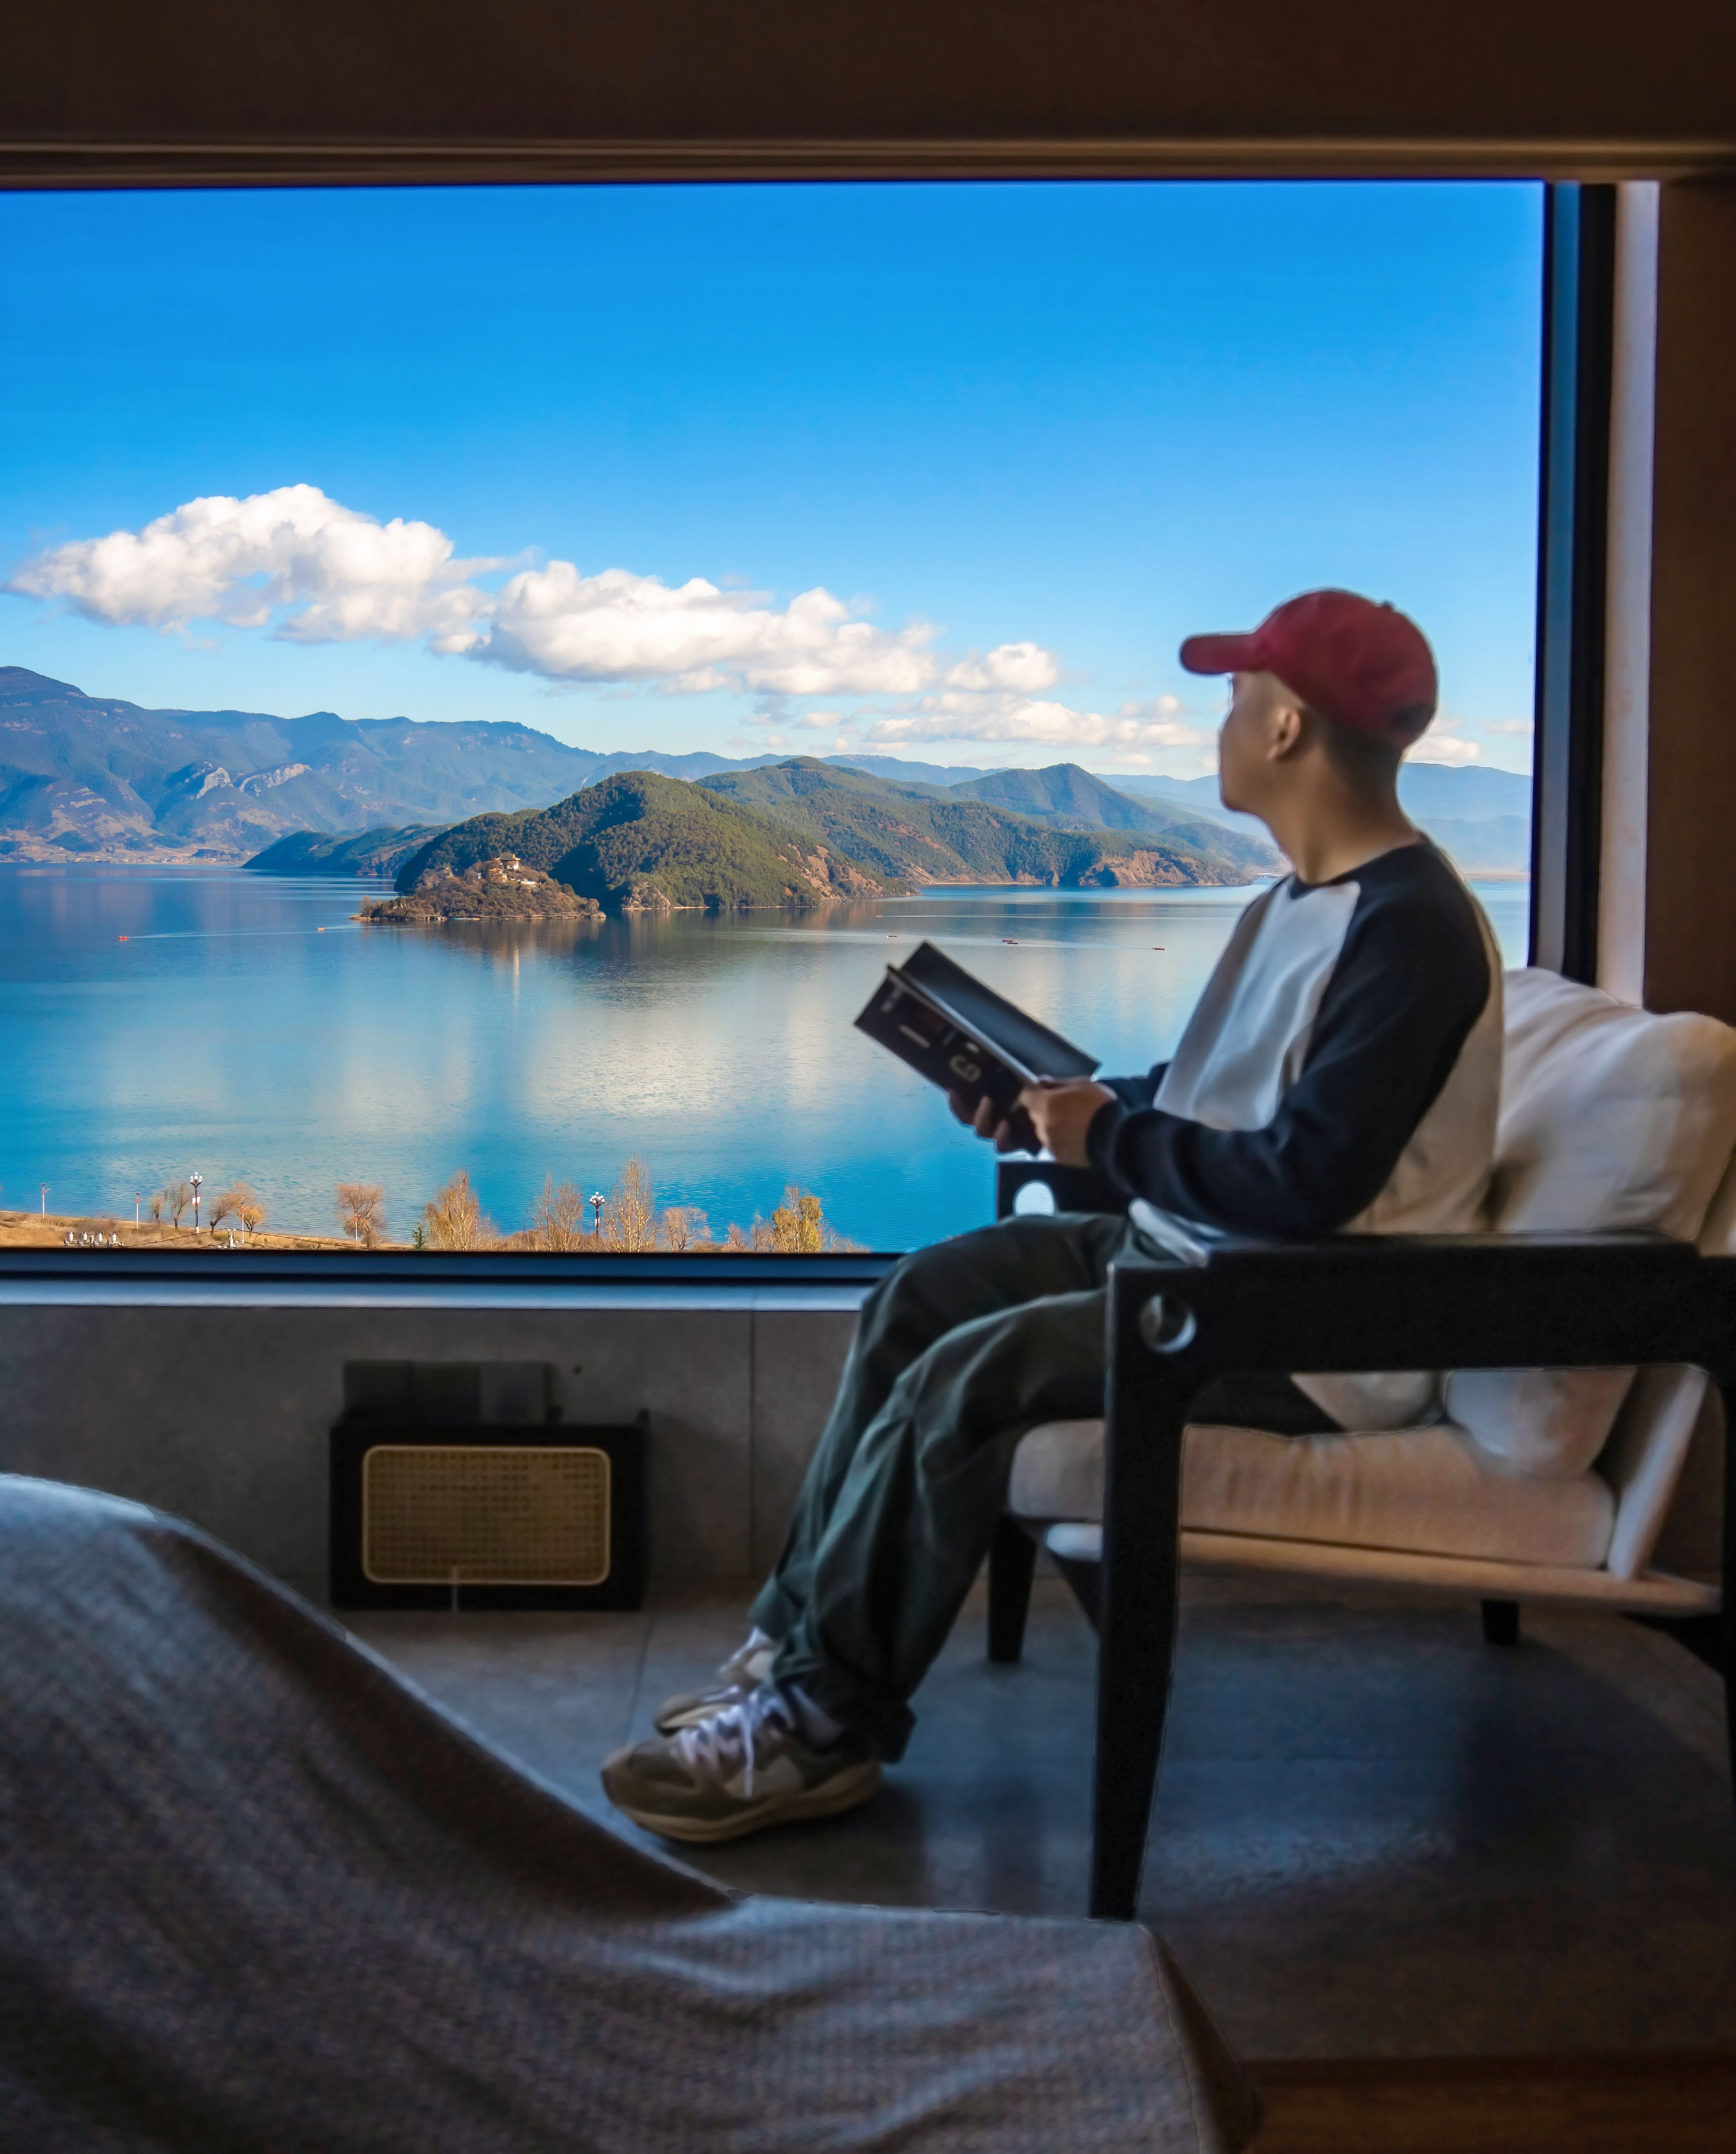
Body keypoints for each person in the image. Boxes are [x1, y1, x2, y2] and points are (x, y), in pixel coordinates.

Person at [601, 589, 1503, 1844]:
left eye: (1237, 695)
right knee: (919, 1296)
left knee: (968, 1376)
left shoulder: (1414, 930)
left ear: (1288, 726)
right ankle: (790, 1646)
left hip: (1302, 1326)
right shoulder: (1294, 903)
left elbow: (1310, 1181)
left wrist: (1110, 1142)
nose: (1222, 720)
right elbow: (1216, 1102)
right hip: (1189, 1260)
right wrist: (1058, 1110)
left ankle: (821, 1726)